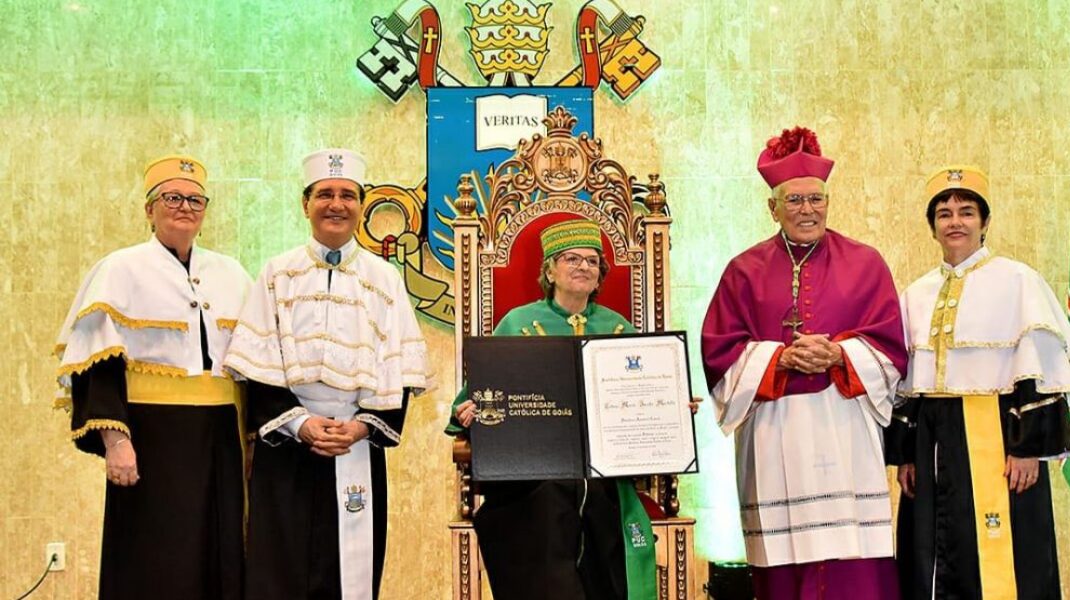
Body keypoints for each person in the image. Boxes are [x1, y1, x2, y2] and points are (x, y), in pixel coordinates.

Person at [701, 126, 909, 599]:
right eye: (793, 201)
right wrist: (779, 357)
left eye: (816, 199)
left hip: (845, 426)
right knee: (784, 568)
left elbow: (892, 347)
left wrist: (840, 353)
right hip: (774, 430)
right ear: (771, 208)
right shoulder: (742, 270)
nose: (807, 210)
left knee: (851, 566)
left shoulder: (866, 262)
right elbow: (719, 350)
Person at [224, 148, 428, 600]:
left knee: (348, 574)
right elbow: (256, 366)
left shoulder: (385, 279)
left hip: (355, 442)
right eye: (324, 194)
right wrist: (300, 423)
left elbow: (400, 368)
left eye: (347, 195)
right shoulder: (278, 273)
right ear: (305, 204)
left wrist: (359, 426)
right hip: (287, 444)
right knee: (280, 568)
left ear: (361, 204)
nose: (336, 204)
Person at [54, 155, 251, 599]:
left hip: (220, 434)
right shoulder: (120, 269)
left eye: (195, 199)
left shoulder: (231, 272)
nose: (185, 206)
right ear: (149, 209)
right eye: (172, 197)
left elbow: (253, 360)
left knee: (219, 548)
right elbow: (96, 364)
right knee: (154, 555)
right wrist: (115, 441)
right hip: (150, 434)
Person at [887, 166, 1070, 600]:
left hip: (997, 436)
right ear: (933, 226)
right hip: (932, 440)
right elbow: (909, 386)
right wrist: (906, 455)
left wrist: (1027, 447)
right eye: (944, 213)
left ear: (984, 222)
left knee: (1005, 556)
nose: (955, 221)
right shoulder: (916, 293)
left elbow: (1036, 370)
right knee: (930, 549)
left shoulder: (1018, 281)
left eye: (966, 211)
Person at [446, 219, 658, 600]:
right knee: (541, 514)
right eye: (571, 259)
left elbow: (645, 393)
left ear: (600, 275)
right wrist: (471, 409)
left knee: (594, 505)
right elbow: (474, 394)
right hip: (535, 477)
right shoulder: (518, 323)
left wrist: (670, 406)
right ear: (550, 270)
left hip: (603, 475)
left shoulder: (619, 329)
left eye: (592, 261)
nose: (583, 267)